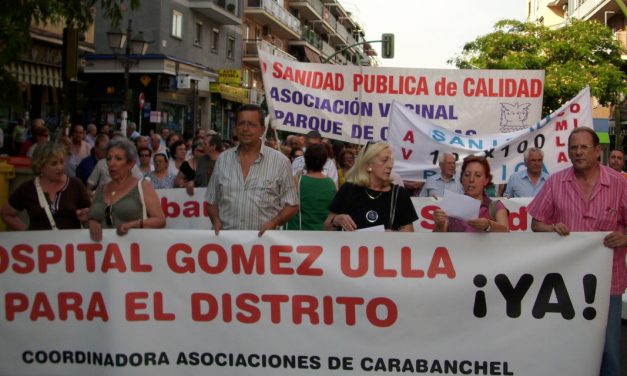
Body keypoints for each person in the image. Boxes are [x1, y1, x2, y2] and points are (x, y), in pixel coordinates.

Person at [528, 127, 626, 376]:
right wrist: (551, 228)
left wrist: (624, 238)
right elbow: (536, 223)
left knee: (609, 350)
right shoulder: (556, 182)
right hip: (565, 283)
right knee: (566, 345)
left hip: (609, 283)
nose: (578, 152)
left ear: (597, 151)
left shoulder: (618, 184)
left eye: (584, 147)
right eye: (573, 148)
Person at [206, 104, 298, 236]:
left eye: (251, 124)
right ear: (235, 128)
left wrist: (274, 222)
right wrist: (215, 220)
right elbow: (211, 200)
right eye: (241, 124)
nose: (245, 129)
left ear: (262, 129)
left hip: (263, 245)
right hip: (227, 246)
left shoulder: (280, 162)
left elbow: (292, 205)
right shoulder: (223, 159)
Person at [324, 142, 417, 231]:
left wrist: (394, 235)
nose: (390, 165)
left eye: (391, 160)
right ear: (368, 164)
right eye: (384, 160)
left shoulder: (399, 194)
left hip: (388, 247)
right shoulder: (348, 189)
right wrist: (336, 220)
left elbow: (408, 230)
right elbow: (326, 227)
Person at [88, 138, 165, 241]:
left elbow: (160, 220)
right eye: (109, 158)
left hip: (133, 252)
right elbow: (93, 217)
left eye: (118, 159)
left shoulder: (142, 186)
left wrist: (134, 224)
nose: (111, 163)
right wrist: (91, 222)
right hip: (102, 252)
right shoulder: (100, 190)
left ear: (130, 164)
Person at [1, 141, 91, 230]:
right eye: (54, 164)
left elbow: (90, 217)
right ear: (41, 166)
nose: (60, 167)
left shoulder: (75, 185)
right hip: (38, 244)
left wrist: (87, 220)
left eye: (62, 162)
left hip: (69, 243)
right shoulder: (27, 188)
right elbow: (6, 214)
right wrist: (27, 233)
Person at [432, 155, 509, 233]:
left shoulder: (496, 206)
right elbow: (438, 241)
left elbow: (507, 235)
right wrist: (439, 224)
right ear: (461, 178)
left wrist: (489, 225)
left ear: (486, 180)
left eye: (478, 175)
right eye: (467, 175)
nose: (471, 179)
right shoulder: (451, 205)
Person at [286, 144, 337, 230]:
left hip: (297, 233)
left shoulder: (297, 180)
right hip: (321, 234)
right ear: (324, 162)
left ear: (305, 159)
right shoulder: (331, 184)